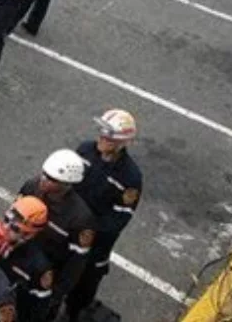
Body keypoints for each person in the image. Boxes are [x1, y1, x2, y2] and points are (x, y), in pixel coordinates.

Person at [65, 110, 142, 322]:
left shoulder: (130, 177)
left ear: (121, 141)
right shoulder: (85, 150)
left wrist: (87, 231)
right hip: (67, 231)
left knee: (83, 288)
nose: (102, 137)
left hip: (94, 245)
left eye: (109, 135)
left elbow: (118, 220)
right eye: (101, 131)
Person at [19, 149, 96, 315]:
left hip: (47, 273)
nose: (43, 180)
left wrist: (56, 295)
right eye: (44, 173)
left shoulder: (80, 219)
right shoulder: (31, 186)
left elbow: (75, 264)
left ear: (66, 183)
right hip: (19, 261)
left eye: (51, 179)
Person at [0, 196, 55, 322]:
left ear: (29, 234)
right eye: (6, 220)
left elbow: (39, 308)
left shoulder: (38, 266)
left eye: (15, 228)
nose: (5, 227)